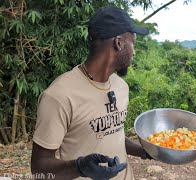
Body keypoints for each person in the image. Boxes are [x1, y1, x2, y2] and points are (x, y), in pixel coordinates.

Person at [31, 6, 151, 180]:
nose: (134, 53)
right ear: (119, 42)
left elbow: (113, 134)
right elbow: (39, 169)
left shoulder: (121, 86)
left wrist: (144, 152)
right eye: (134, 44)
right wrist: (79, 167)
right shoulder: (60, 96)